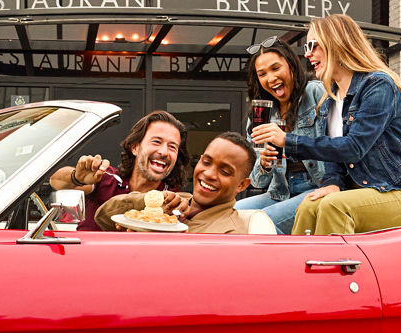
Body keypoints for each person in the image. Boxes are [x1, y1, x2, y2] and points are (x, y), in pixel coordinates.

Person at [251, 14, 401, 235]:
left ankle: (331, 259)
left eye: (313, 45)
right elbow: (334, 155)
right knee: (309, 205)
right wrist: (333, 182)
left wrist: (288, 141)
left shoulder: (378, 85)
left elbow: (353, 147)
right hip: (364, 193)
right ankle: (296, 258)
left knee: (333, 206)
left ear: (336, 43)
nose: (307, 54)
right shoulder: (330, 99)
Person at [234, 38, 345, 234]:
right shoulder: (261, 114)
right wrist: (264, 164)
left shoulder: (316, 92)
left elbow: (337, 142)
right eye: (262, 74)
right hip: (280, 192)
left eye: (275, 68)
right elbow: (258, 182)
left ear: (291, 66)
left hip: (318, 186)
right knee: (230, 215)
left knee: (261, 224)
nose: (270, 78)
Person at [95, 132, 271, 234]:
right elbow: (102, 218)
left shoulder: (235, 231)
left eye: (224, 172)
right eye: (206, 162)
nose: (209, 174)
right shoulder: (171, 201)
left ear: (242, 185)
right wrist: (150, 202)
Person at [51, 110, 190, 231]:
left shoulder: (173, 200)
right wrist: (76, 177)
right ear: (135, 147)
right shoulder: (106, 178)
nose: (164, 152)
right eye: (156, 142)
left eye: (172, 147)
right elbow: (55, 181)